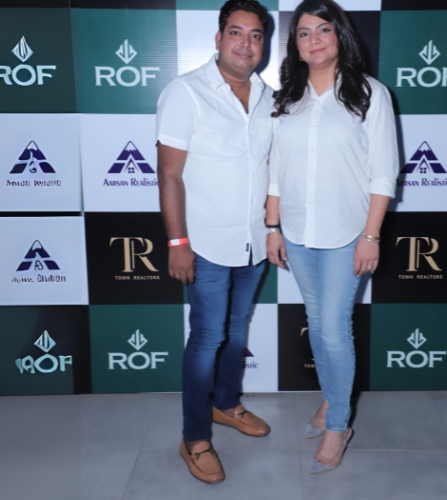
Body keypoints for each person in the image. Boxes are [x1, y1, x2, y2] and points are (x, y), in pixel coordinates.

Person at [265, 0, 398, 474]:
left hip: (347, 233)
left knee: (334, 330)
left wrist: (371, 236)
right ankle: (331, 398)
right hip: (297, 231)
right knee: (318, 322)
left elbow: (383, 173)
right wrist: (273, 227)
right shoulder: (287, 99)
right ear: (296, 45)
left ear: (340, 35)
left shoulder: (370, 94)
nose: (314, 40)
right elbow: (276, 170)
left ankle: (338, 425)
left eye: (323, 29)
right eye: (304, 33)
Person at [155, 0, 274, 484]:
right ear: (219, 38)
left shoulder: (269, 97)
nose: (246, 44)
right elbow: (169, 174)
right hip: (204, 243)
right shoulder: (185, 92)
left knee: (237, 330)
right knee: (206, 338)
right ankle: (194, 436)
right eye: (236, 32)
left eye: (255, 35)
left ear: (264, 44)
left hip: (253, 242)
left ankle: (225, 404)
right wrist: (177, 242)